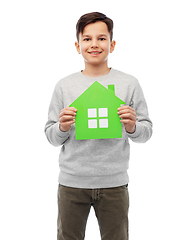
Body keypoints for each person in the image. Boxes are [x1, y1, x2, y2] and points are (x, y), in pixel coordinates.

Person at [45, 12, 153, 240]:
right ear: (77, 46)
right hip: (71, 184)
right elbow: (51, 136)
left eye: (102, 38)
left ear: (112, 44)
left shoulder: (129, 84)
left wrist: (133, 125)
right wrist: (62, 128)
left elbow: (145, 133)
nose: (94, 44)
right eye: (87, 39)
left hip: (114, 184)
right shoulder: (64, 86)